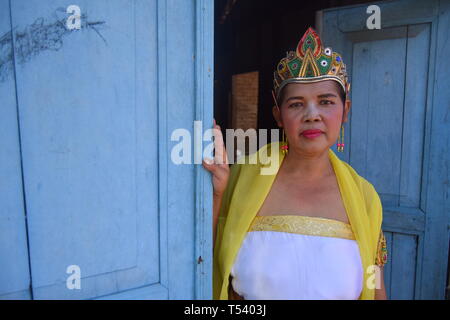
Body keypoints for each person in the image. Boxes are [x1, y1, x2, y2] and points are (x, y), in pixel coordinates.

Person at [203, 27, 388, 300]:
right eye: (296, 104)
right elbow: (205, 262)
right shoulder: (239, 181)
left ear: (345, 110)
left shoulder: (365, 198)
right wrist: (218, 193)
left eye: (325, 101)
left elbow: (376, 289)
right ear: (278, 115)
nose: (312, 115)